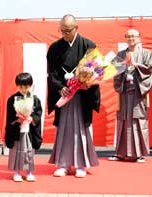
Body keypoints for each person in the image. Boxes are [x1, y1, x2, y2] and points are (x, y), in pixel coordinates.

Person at [46, 14, 100, 178]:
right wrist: (60, 87)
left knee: (81, 130)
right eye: (61, 30)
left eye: (67, 30)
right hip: (65, 95)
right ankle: (63, 164)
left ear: (76, 28)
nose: (64, 34)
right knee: (63, 129)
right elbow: (52, 73)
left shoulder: (88, 45)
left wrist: (87, 82)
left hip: (82, 95)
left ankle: (80, 165)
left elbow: (96, 70)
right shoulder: (55, 47)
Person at [108, 29, 152, 163]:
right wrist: (121, 68)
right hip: (124, 90)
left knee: (138, 120)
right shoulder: (121, 54)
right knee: (123, 121)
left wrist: (136, 65)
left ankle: (139, 154)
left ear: (139, 37)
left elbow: (149, 70)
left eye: (133, 36)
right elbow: (114, 72)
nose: (131, 38)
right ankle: (120, 153)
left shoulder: (146, 53)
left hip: (138, 92)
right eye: (128, 36)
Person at [4, 73, 42, 182]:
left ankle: (29, 172)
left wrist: (32, 118)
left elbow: (39, 112)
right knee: (17, 152)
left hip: (29, 131)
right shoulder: (12, 99)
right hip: (18, 131)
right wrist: (17, 120)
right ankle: (17, 172)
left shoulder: (35, 99)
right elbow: (10, 116)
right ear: (17, 86)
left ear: (30, 86)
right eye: (21, 86)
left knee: (29, 152)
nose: (24, 89)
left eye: (26, 86)